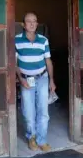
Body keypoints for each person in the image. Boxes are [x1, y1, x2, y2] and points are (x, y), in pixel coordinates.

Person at [15, 12, 56, 152]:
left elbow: (48, 61)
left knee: (43, 111)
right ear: (23, 24)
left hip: (43, 78)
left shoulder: (43, 40)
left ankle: (42, 140)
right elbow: (13, 63)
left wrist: (52, 81)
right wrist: (21, 79)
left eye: (35, 21)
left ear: (37, 24)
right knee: (28, 111)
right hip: (26, 80)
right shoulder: (16, 40)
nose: (32, 23)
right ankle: (31, 137)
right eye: (29, 21)